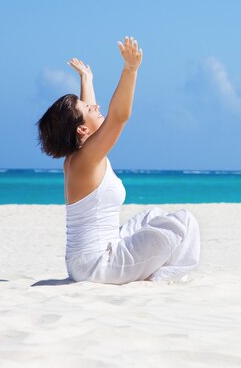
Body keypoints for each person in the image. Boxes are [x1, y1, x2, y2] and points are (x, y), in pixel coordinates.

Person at [37, 36, 200, 284]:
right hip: (98, 266)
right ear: (81, 130)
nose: (95, 106)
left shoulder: (79, 155)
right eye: (88, 108)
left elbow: (90, 115)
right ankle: (160, 278)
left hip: (87, 260)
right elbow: (117, 118)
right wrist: (130, 70)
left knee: (152, 216)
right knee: (183, 223)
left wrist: (87, 79)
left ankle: (150, 271)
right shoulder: (87, 159)